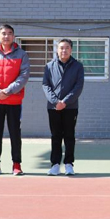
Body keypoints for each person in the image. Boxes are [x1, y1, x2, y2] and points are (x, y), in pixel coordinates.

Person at [0, 24, 30, 176]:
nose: (6, 36)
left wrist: (8, 91)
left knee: (15, 134)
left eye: (9, 33)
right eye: (3, 33)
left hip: (14, 101)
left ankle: (16, 164)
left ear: (13, 36)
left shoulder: (22, 54)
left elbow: (24, 76)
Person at [42, 38, 85, 176]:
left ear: (71, 50)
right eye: (61, 48)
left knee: (69, 135)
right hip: (53, 107)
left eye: (67, 48)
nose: (64, 50)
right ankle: (55, 164)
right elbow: (46, 85)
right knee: (55, 135)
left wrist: (65, 102)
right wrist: (56, 102)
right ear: (57, 49)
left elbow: (78, 87)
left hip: (71, 107)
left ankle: (68, 164)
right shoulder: (49, 66)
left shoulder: (78, 66)